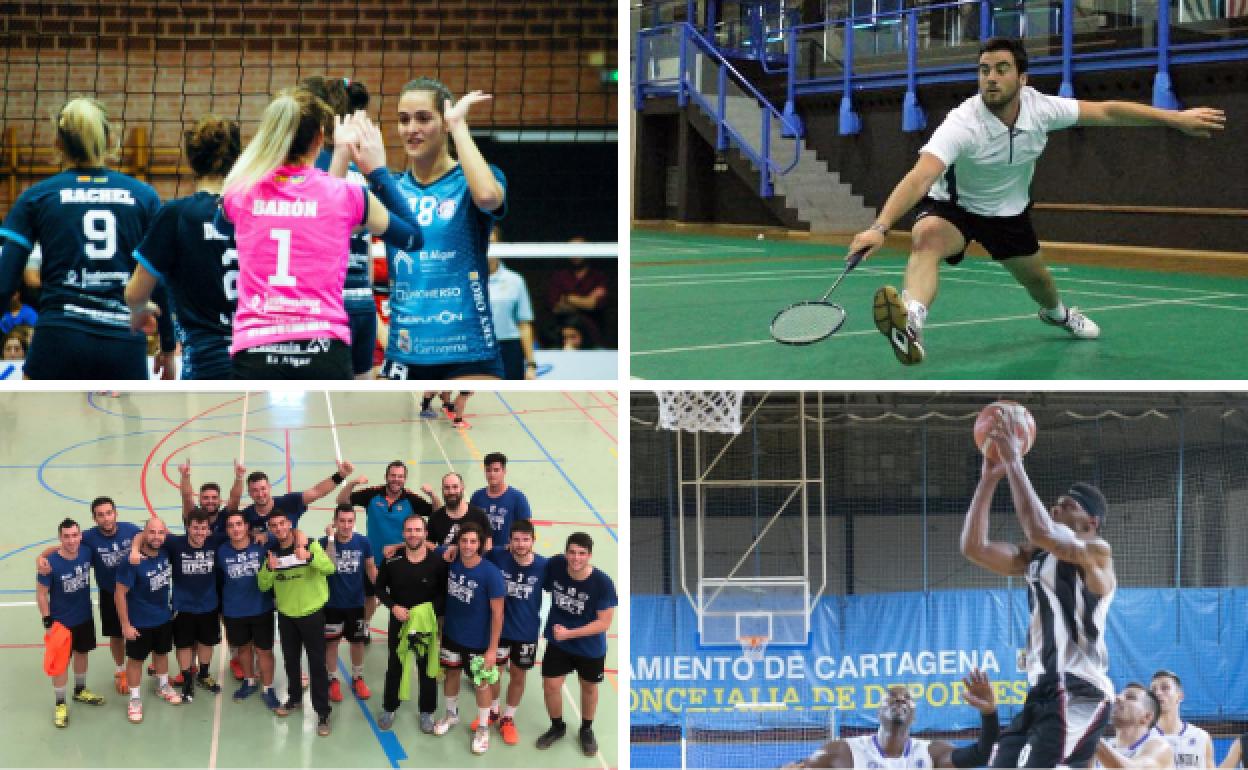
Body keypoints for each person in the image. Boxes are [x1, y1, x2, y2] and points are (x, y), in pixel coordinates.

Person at [846, 36, 1227, 366]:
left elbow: (1108, 112)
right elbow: (922, 175)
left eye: (1001, 69)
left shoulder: (1041, 108)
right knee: (926, 238)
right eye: (984, 70)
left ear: (1022, 78)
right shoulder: (963, 121)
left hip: (1009, 216)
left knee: (1039, 282)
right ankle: (911, 322)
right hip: (955, 209)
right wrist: (879, 227)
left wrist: (1174, 119)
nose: (991, 78)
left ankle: (1058, 314)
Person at [220, 88, 423, 379]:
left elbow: (221, 224)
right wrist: (378, 172)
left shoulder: (242, 192)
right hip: (323, 348)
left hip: (256, 349)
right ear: (318, 139)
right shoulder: (348, 195)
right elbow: (413, 237)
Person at [960, 404, 1115, 767]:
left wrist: (1016, 461)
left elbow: (1040, 530)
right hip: (1041, 690)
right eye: (1054, 505)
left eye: (1065, 506)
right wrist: (988, 479)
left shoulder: (1097, 553)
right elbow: (974, 548)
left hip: (1079, 688)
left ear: (1091, 522)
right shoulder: (1037, 558)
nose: (1055, 509)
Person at [0, 97, 174, 379]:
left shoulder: (37, 197)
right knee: (132, 425)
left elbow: (4, 282)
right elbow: (160, 281)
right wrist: (167, 346)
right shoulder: (144, 196)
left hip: (59, 338)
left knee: (35, 423)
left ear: (58, 142)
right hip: (123, 338)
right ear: (108, 139)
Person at [378, 77, 507, 381]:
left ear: (444, 123)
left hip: (468, 349)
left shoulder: (473, 181)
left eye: (423, 118)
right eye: (404, 119)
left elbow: (488, 198)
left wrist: (458, 126)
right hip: (405, 351)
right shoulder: (391, 189)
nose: (412, 129)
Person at [126, 116, 241, 380]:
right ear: (238, 159)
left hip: (205, 359)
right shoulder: (257, 210)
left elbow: (134, 293)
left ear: (192, 160)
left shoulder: (176, 215)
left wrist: (142, 308)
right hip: (257, 354)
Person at [302, 76, 377, 380]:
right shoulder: (364, 169)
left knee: (321, 409)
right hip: (363, 302)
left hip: (325, 303)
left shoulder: (311, 166)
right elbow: (369, 246)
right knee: (359, 404)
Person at [36, 497, 144, 696]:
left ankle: (152, 665)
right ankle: (120, 670)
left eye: (109, 513)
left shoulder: (130, 530)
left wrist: (136, 547)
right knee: (117, 634)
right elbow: (61, 548)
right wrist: (41, 557)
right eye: (100, 515)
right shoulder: (87, 537)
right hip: (109, 593)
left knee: (146, 629)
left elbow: (146, 536)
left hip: (136, 592)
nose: (106, 518)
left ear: (116, 513)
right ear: (94, 519)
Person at [788, 672, 1000, 767]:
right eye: (892, 696)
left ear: (914, 717)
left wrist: (989, 713)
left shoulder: (931, 753)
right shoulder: (843, 752)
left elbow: (982, 756)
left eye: (907, 698)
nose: (900, 698)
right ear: (877, 713)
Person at [129, 508, 226, 703]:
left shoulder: (215, 541)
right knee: (184, 645)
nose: (200, 532)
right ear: (188, 528)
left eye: (204, 528)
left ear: (209, 529)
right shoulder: (175, 543)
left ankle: (203, 674)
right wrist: (133, 550)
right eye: (195, 528)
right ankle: (188, 679)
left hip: (209, 605)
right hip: (183, 606)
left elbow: (243, 534)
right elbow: (142, 534)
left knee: (207, 643)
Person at [337, 460, 438, 640]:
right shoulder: (372, 495)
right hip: (372, 560)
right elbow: (341, 501)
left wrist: (432, 494)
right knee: (370, 596)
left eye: (400, 476)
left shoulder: (411, 499)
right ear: (386, 477)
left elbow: (437, 513)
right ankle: (365, 626)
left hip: (400, 562)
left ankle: (410, 630)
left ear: (405, 479)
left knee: (403, 598)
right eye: (393, 476)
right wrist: (352, 483)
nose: (396, 479)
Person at [537, 532, 617, 756]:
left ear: (589, 556)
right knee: (551, 685)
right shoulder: (555, 565)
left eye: (582, 553)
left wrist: (570, 634)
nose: (576, 558)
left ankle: (586, 729)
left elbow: (604, 623)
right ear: (565, 553)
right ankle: (557, 727)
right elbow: (533, 565)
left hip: (588, 647)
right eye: (572, 552)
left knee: (588, 687)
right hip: (559, 642)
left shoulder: (602, 583)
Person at [257, 510, 336, 736]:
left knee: (316, 663)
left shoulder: (309, 544)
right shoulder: (272, 554)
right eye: (274, 525)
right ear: (271, 529)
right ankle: (294, 698)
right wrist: (269, 569)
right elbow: (263, 585)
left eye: (282, 523)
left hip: (312, 614)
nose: (279, 528)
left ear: (289, 523)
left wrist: (309, 557)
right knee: (291, 660)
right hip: (287, 615)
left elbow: (329, 568)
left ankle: (322, 712)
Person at [432, 522, 505, 756]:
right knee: (451, 674)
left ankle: (483, 727)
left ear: (480, 544)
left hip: (478, 641)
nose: (468, 546)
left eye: (473, 541)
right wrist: (396, 545)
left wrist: (492, 649)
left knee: (480, 683)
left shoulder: (490, 573)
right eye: (464, 541)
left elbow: (498, 613)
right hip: (452, 634)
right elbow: (423, 543)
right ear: (458, 542)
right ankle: (451, 714)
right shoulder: (452, 561)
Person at [375, 513, 449, 734]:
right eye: (409, 530)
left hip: (425, 625)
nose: (413, 534)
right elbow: (379, 588)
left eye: (418, 530)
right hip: (399, 623)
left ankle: (427, 711)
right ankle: (389, 707)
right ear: (403, 533)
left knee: (427, 669)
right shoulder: (392, 559)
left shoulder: (437, 562)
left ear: (425, 534)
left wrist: (426, 613)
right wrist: (393, 607)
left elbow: (444, 594)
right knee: (395, 665)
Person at [479, 519, 548, 745]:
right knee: (493, 674)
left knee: (518, 676)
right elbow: (474, 558)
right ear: (509, 541)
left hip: (526, 633)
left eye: (525, 539)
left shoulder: (544, 566)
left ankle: (508, 718)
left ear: (533, 541)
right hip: (498, 629)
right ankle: (493, 710)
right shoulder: (496, 556)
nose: (520, 544)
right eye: (516, 539)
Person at [36, 518, 107, 728]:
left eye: (74, 535)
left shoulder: (86, 552)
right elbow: (41, 595)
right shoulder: (50, 564)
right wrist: (48, 621)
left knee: (82, 653)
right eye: (66, 536)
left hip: (84, 616)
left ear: (80, 536)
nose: (71, 540)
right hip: (61, 623)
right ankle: (60, 703)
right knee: (60, 664)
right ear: (60, 538)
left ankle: (80, 690)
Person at [114, 517, 183, 723]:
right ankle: (135, 700)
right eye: (151, 532)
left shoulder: (165, 552)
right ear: (144, 534)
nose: (156, 537)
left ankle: (162, 686)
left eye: (160, 533)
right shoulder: (131, 561)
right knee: (136, 662)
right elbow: (119, 594)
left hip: (163, 617)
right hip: (139, 622)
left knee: (162, 654)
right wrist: (125, 625)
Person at [215, 510, 281, 711]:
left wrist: (268, 535)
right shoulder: (221, 552)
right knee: (243, 648)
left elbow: (289, 535)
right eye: (231, 525)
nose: (235, 529)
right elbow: (219, 580)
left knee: (264, 651)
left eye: (239, 524)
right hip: (234, 611)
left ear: (246, 527)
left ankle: (268, 688)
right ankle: (250, 681)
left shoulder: (262, 547)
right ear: (226, 530)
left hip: (261, 608)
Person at [319, 503, 378, 702]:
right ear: (334, 522)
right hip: (331, 605)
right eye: (342, 521)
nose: (346, 525)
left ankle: (357, 677)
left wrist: (382, 590)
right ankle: (332, 680)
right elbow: (328, 564)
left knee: (357, 642)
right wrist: (330, 539)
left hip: (355, 603)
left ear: (354, 522)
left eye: (350, 521)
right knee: (332, 644)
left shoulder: (363, 542)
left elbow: (370, 568)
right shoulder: (323, 542)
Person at [240, 460, 352, 537]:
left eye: (263, 488)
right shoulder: (245, 516)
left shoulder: (289, 502)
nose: (260, 494)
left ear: (270, 487)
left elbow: (317, 492)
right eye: (255, 490)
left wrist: (340, 475)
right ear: (249, 493)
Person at [486, 229, 537, 380]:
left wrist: (531, 364)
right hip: (478, 348)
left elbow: (524, 325)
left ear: (500, 246)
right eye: (483, 242)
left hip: (509, 349)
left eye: (492, 242)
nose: (487, 247)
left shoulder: (515, 280)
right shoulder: (466, 280)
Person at [1094, 683, 1173, 768]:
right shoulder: (1103, 746)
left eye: (1130, 697)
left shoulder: (1160, 747)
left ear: (1147, 717)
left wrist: (1090, 735)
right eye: (1119, 695)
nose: (1118, 698)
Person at [469, 451, 532, 555]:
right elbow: (470, 525)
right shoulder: (477, 497)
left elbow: (527, 528)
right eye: (488, 470)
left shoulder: (517, 497)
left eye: (496, 470)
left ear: (504, 471)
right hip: (482, 555)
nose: (492, 474)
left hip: (508, 555)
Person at [1149, 670, 1215, 768]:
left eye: (1165, 688)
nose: (1158, 693)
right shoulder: (1143, 737)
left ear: (1180, 696)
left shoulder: (1202, 737)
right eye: (1154, 690)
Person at [426, 471, 493, 559]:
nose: (451, 491)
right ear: (442, 490)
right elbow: (427, 543)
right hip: (445, 569)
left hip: (471, 568)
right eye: (447, 488)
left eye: (455, 487)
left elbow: (487, 545)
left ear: (462, 488)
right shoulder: (435, 518)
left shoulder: (479, 515)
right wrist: (444, 550)